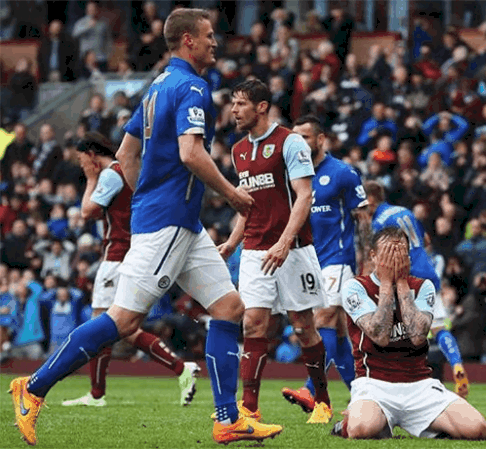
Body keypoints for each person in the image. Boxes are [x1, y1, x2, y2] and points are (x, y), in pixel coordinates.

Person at [10, 9, 282, 446]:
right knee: (123, 319)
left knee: (231, 308)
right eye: (209, 36)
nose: (216, 42)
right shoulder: (193, 86)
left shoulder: (156, 86)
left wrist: (144, 198)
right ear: (189, 41)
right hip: (170, 221)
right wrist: (231, 195)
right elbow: (191, 153)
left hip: (179, 223)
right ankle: (33, 388)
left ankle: (228, 419)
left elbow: (125, 153)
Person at [218, 80, 332, 424]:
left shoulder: (290, 142)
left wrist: (284, 242)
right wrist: (232, 242)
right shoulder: (238, 150)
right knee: (253, 324)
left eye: (240, 104)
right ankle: (249, 407)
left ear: (262, 107)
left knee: (302, 326)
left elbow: (305, 195)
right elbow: (247, 204)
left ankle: (322, 401)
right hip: (255, 250)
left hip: (293, 249)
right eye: (233, 104)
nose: (234, 110)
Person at [60, 131, 201, 407]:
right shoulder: (127, 171)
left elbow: (87, 211)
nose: (82, 167)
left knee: (106, 325)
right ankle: (102, 392)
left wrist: (91, 181)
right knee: (118, 327)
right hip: (130, 253)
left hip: (116, 257)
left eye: (81, 160)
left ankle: (102, 393)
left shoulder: (110, 175)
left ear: (91, 155)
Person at [331, 227, 486, 440]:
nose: (395, 259)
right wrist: (387, 283)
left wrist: (402, 283)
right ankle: (349, 423)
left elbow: (417, 336)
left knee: (477, 430)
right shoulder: (355, 287)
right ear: (373, 256)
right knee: (361, 430)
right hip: (374, 382)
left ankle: (423, 424)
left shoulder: (424, 286)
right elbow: (380, 335)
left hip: (419, 383)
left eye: (401, 253)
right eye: (388, 253)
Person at [280, 115, 366, 413]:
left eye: (305, 137)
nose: (299, 143)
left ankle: (310, 390)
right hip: (307, 261)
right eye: (294, 137)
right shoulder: (293, 175)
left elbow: (363, 218)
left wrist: (366, 262)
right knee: (339, 334)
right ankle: (362, 395)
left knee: (324, 318)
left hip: (337, 259)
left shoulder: (343, 173)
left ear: (320, 139)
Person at [362, 180, 470, 398]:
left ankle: (400, 381)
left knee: (398, 330)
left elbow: (380, 253)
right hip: (428, 271)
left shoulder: (380, 220)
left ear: (371, 199)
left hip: (405, 274)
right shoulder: (404, 211)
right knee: (439, 326)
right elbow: (426, 240)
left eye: (363, 203)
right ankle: (457, 365)